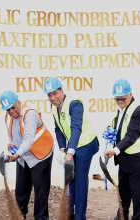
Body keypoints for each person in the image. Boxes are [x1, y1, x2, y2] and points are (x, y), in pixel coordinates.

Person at [43, 77, 99, 220]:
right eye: (49, 95)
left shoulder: (74, 104)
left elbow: (76, 128)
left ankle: (80, 217)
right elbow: (58, 129)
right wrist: (63, 149)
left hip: (86, 144)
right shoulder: (55, 107)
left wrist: (71, 151)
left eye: (55, 93)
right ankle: (70, 213)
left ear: (62, 90)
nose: (52, 98)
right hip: (72, 146)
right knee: (70, 178)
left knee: (79, 180)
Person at [0, 91, 54, 220]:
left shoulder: (30, 115)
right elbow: (10, 134)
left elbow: (28, 140)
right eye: (8, 109)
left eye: (13, 107)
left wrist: (16, 155)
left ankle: (41, 217)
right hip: (23, 156)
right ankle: (20, 214)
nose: (11, 111)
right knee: (21, 189)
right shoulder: (7, 117)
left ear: (19, 102)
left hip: (41, 154)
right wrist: (11, 144)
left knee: (40, 191)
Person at [104, 79, 140, 220]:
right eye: (117, 98)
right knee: (124, 190)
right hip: (125, 159)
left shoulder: (138, 110)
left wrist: (115, 150)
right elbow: (119, 131)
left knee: (138, 192)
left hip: (139, 159)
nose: (120, 101)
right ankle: (122, 214)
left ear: (130, 94)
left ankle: (137, 217)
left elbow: (132, 135)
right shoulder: (122, 108)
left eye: (122, 98)